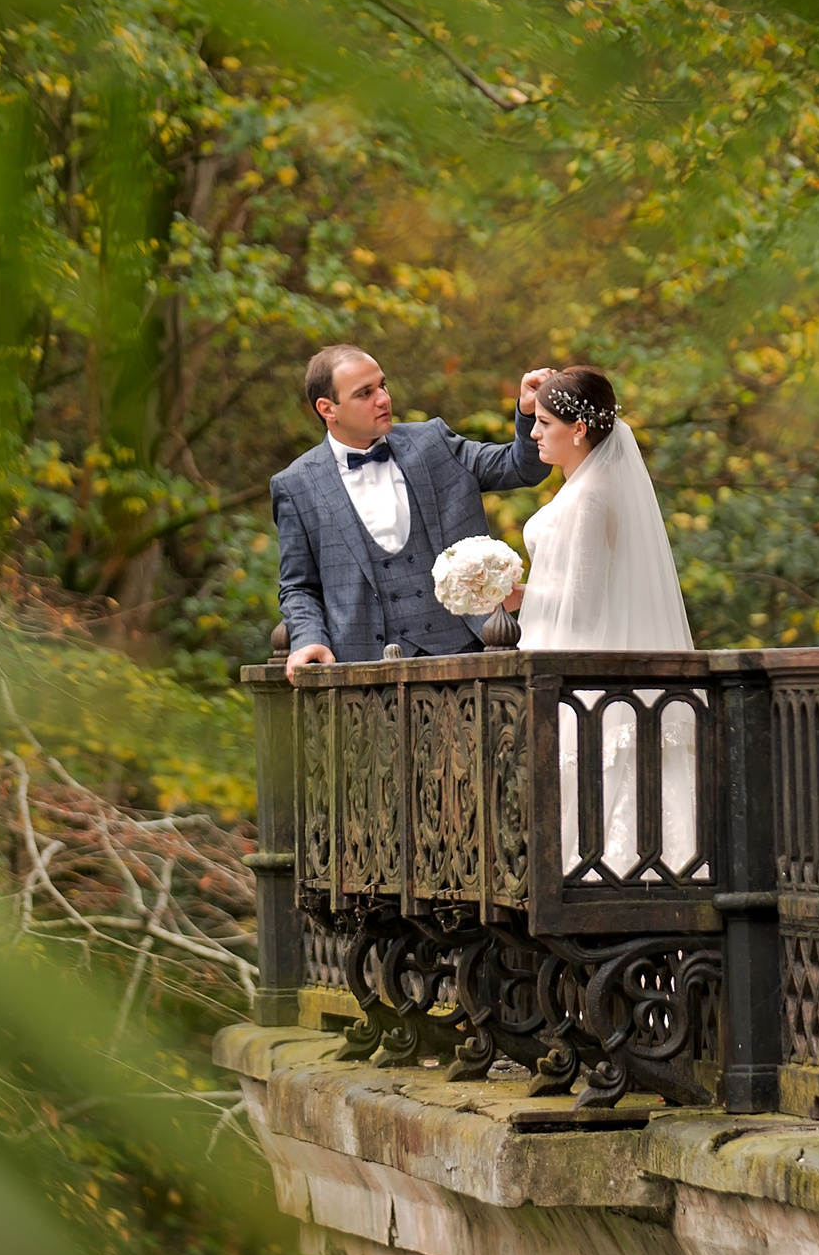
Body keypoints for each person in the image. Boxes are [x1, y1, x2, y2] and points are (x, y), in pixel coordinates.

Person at [507, 366, 699, 880]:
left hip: (581, 673)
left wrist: (515, 594)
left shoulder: (592, 495)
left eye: (544, 423)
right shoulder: (590, 484)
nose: (533, 433)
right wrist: (522, 593)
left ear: (578, 429)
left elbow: (586, 604)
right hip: (573, 660)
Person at [272, 345, 550, 672]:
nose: (383, 399)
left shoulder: (433, 443)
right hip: (362, 674)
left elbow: (520, 467)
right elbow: (299, 586)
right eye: (365, 393)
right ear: (327, 408)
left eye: (382, 385)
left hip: (466, 656)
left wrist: (529, 412)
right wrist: (308, 638)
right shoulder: (295, 484)